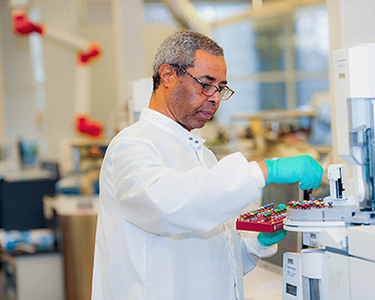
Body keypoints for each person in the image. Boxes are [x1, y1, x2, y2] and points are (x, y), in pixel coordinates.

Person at [91, 30, 323, 300]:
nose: (214, 98)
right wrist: (264, 170)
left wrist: (256, 244)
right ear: (167, 75)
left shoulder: (202, 155)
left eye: (221, 88)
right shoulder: (132, 145)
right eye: (205, 84)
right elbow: (166, 205)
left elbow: (216, 257)